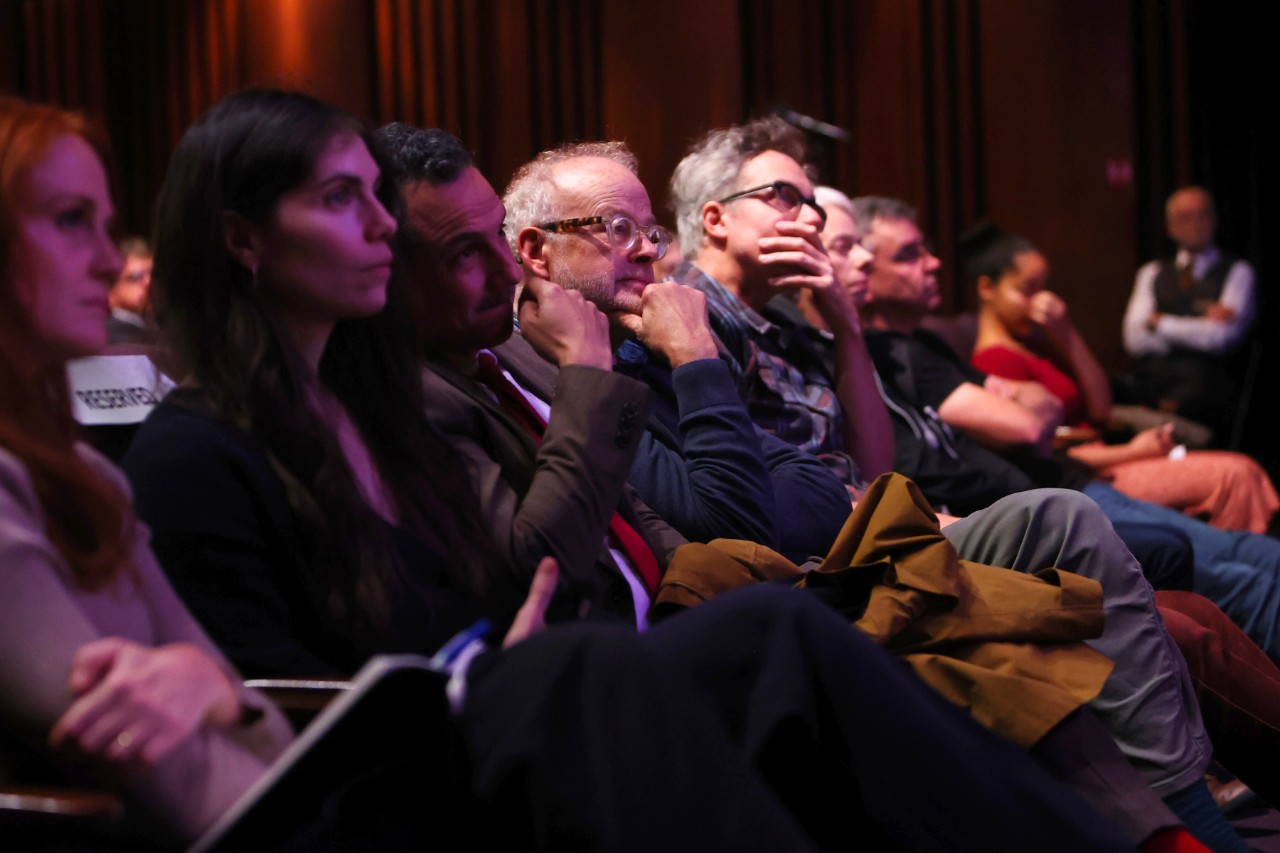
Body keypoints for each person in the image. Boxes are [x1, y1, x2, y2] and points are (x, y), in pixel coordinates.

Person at [115, 89, 1144, 852]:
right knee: (636, 655)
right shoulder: (198, 451)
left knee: (782, 626)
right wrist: (613, 375)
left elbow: (761, 513)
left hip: (545, 680)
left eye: (379, 201)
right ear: (243, 239)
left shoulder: (375, 415)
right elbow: (267, 724)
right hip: (420, 767)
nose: (382, 225)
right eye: (346, 200)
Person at [0, 93, 294, 847]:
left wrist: (209, 686)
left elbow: (238, 708)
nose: (107, 258)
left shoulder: (89, 478)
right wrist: (215, 689)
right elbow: (176, 785)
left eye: (105, 223)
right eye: (71, 220)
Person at [850, 193, 1280, 673]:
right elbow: (1032, 425)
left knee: (1249, 546)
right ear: (989, 289)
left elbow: (1079, 406)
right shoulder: (933, 356)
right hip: (1055, 488)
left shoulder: (934, 344)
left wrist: (1066, 335)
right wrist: (1107, 443)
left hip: (1070, 473)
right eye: (909, 255)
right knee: (1233, 512)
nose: (934, 263)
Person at [496, 139, 852, 563]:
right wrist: (696, 355)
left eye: (649, 233)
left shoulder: (634, 344)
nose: (647, 250)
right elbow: (734, 529)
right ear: (537, 251)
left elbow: (821, 490)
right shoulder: (537, 374)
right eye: (619, 228)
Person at [968, 226, 1278, 533]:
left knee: (1238, 469)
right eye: (1027, 290)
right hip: (1086, 475)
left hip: (1105, 458)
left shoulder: (1035, 344)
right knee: (1235, 475)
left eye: (1044, 288)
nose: (1041, 302)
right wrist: (1138, 451)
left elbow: (1101, 406)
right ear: (987, 288)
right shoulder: (994, 362)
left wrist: (1066, 332)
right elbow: (1049, 455)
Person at [1122, 186, 1256, 432]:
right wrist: (1199, 325)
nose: (1195, 223)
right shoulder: (1151, 272)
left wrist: (1160, 323)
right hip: (1153, 390)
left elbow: (1221, 339)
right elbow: (1134, 340)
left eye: (1202, 215)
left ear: (1215, 220)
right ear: (1170, 226)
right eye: (1185, 217)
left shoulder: (1238, 272)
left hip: (1210, 401)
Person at [105, 235, 156, 345]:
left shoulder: (154, 327)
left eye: (152, 274)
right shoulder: (110, 335)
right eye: (136, 277)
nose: (148, 282)